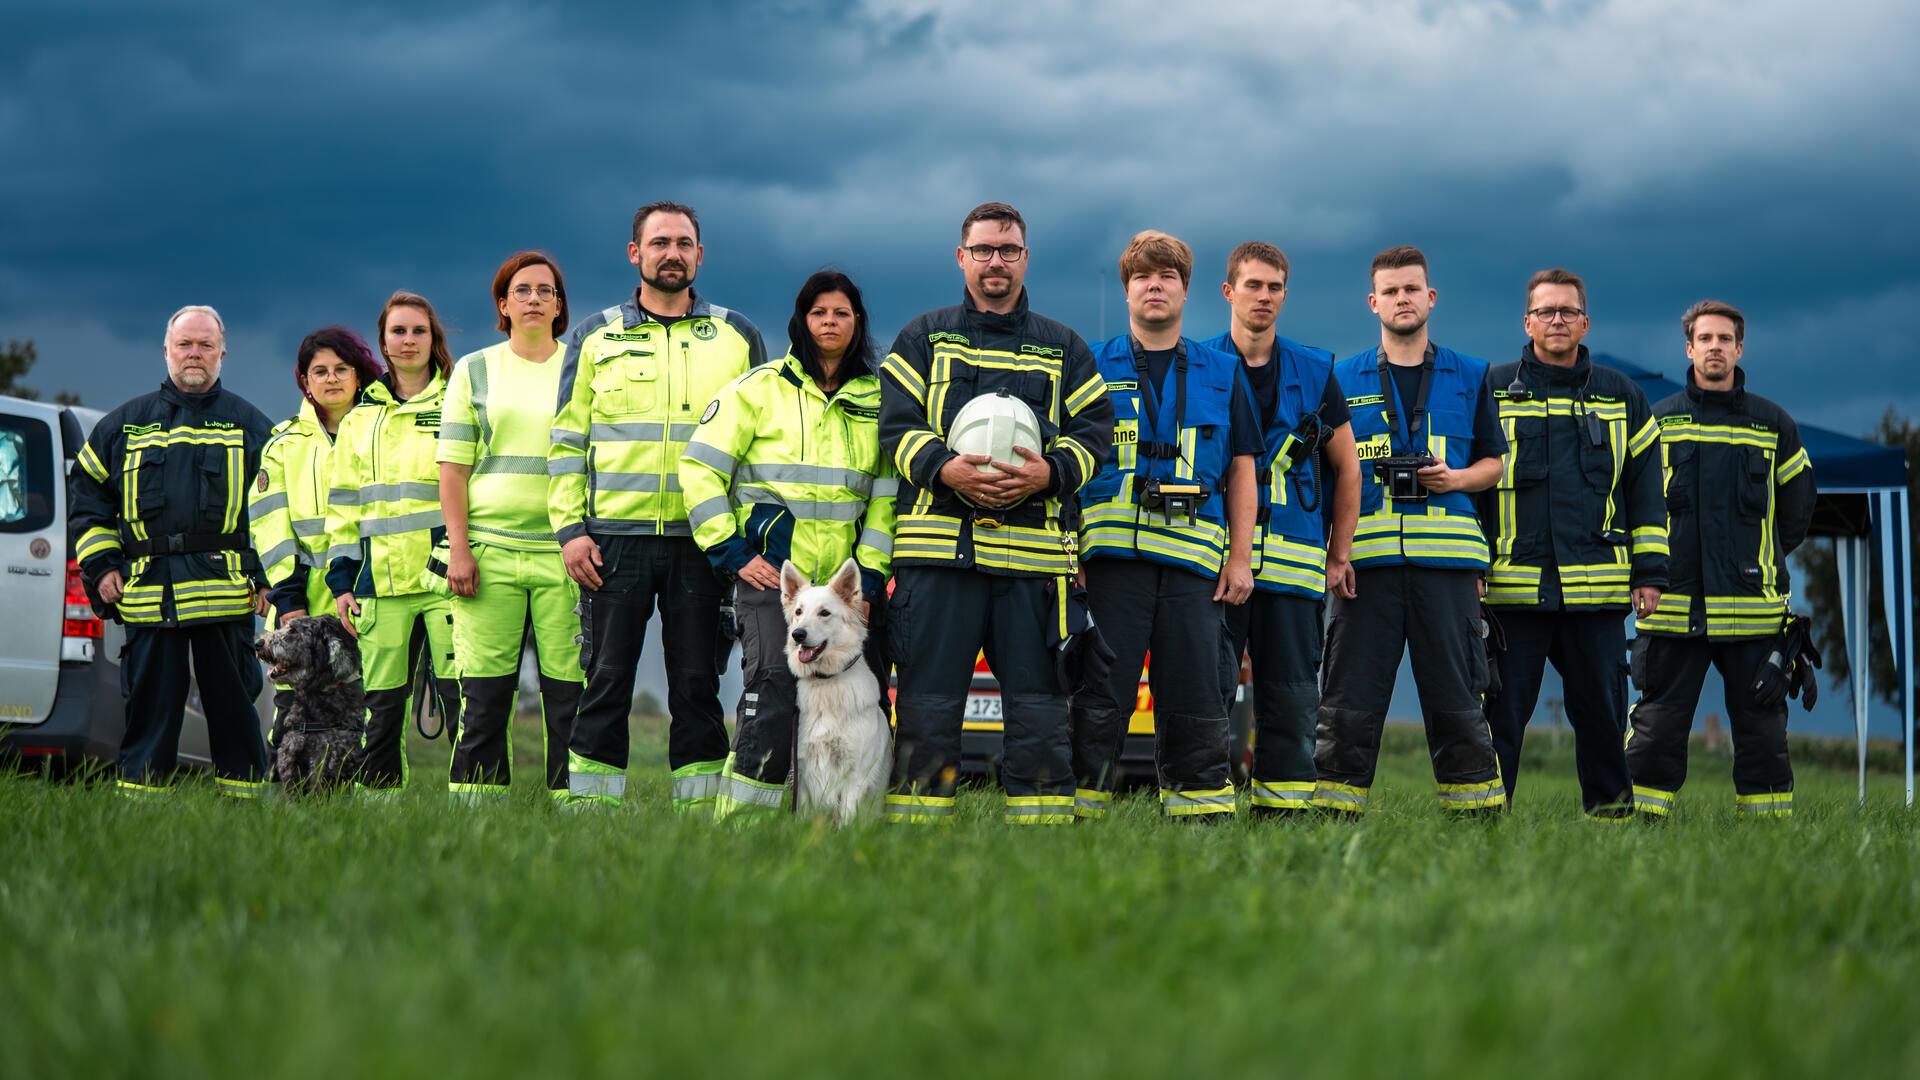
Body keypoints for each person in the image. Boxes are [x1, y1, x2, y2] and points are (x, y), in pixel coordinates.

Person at [877, 201, 1113, 825]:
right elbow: (894, 424)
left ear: (1024, 258)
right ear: (962, 258)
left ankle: (1041, 843)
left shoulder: (1065, 348)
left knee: (1039, 713)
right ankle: (912, 838)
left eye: (1007, 250)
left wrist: (1049, 473)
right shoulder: (922, 336)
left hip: (1034, 566)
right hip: (937, 557)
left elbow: (1095, 435)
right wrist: (942, 468)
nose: (995, 262)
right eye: (983, 250)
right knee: (926, 707)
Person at [550, 202, 766, 812]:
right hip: (611, 541)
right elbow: (567, 443)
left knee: (698, 684)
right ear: (634, 253)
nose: (672, 253)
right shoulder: (595, 335)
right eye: (660, 242)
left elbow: (756, 446)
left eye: (684, 242)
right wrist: (570, 532)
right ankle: (588, 816)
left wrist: (740, 538)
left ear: (700, 255)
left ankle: (698, 817)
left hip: (704, 541)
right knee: (607, 680)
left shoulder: (737, 335)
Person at [680, 270, 896, 821]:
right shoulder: (757, 388)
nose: (829, 322)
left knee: (862, 706)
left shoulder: (879, 398)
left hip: (846, 596)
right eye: (818, 312)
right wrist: (733, 551)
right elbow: (700, 469)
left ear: (857, 323)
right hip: (774, 581)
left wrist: (866, 580)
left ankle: (854, 826)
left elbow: (885, 497)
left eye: (841, 313)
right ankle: (747, 826)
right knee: (774, 689)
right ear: (800, 321)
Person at [1069, 231, 1262, 822]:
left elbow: (1243, 470)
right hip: (1110, 568)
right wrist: (1068, 552)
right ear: (1127, 290)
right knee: (1100, 698)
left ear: (1185, 291)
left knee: (1197, 700)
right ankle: (1079, 816)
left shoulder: (1224, 374)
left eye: (1167, 278)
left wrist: (1240, 558)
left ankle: (1199, 819)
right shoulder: (1091, 365)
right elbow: (1064, 465)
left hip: (1194, 571)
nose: (1155, 286)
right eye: (1143, 278)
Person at [1313, 247, 1507, 816]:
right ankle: (1333, 814)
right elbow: (1328, 476)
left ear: (1431, 298)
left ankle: (1475, 817)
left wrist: (1454, 480)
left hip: (1447, 571)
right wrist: (1335, 556)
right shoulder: (1340, 378)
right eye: (1391, 291)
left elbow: (1495, 463)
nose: (1402, 299)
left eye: (1412, 289)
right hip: (1364, 572)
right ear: (1374, 303)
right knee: (1348, 700)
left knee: (1457, 701)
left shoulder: (1474, 375)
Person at [1481, 269, 1667, 820]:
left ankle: (1610, 819)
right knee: (1502, 718)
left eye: (1567, 312)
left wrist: (1651, 572)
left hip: (1597, 594)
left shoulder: (1623, 396)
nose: (1556, 320)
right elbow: (1473, 487)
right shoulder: (1491, 389)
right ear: (1527, 321)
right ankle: (1483, 821)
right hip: (1514, 592)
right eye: (1545, 311)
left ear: (1585, 322)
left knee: (1605, 717)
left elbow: (1648, 492)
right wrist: (1470, 564)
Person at [69, 305, 273, 797]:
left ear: (223, 352)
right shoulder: (123, 425)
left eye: (205, 344)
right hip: (149, 595)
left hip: (226, 597)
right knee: (148, 707)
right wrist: (100, 567)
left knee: (234, 708)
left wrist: (269, 577)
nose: (195, 354)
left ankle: (243, 808)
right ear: (167, 351)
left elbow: (276, 508)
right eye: (185, 344)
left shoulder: (252, 427)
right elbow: (88, 497)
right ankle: (142, 804)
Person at [1626, 300, 1813, 818]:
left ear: (1739, 348)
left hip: (1751, 612)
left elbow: (1798, 510)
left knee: (1762, 734)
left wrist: (1763, 559)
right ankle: (1637, 833)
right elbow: (1631, 505)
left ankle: (1768, 838)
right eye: (1704, 339)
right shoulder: (1657, 422)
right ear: (1689, 348)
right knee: (1656, 730)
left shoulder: (1774, 424)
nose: (1714, 347)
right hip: (1673, 609)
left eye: (1724, 339)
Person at [1202, 241, 1358, 818]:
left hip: (1293, 570)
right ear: (1229, 292)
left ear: (1285, 295)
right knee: (1207, 693)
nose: (1263, 296)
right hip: (1217, 565)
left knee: (1291, 702)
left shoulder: (1316, 373)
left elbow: (1348, 468)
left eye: (1274, 287)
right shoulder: (1202, 366)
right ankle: (1204, 811)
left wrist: (1339, 553)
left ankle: (1284, 821)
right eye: (1252, 285)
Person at [440, 253, 583, 802]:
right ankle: (479, 816)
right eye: (521, 290)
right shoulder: (474, 370)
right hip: (489, 552)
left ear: (559, 305)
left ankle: (575, 809)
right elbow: (452, 470)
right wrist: (459, 551)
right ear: (503, 304)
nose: (533, 299)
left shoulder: (580, 367)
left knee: (569, 694)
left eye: (545, 291)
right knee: (485, 695)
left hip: (564, 553)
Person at [322, 294, 463, 797]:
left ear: (433, 339)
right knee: (378, 706)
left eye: (418, 331)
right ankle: (377, 806)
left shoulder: (459, 403)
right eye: (398, 332)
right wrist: (341, 581)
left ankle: (479, 804)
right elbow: (342, 508)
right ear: (383, 342)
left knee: (464, 700)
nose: (408, 341)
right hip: (378, 585)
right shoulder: (361, 419)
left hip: (448, 580)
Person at [251, 326, 382, 774]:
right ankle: (289, 810)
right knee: (291, 718)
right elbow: (270, 526)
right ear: (304, 380)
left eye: (342, 369)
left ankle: (361, 808)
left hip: (367, 595)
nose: (331, 379)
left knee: (369, 712)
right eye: (319, 371)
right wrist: (290, 603)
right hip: (301, 606)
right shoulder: (283, 443)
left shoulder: (381, 433)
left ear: (359, 375)